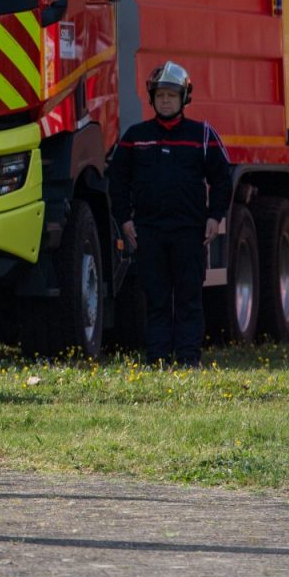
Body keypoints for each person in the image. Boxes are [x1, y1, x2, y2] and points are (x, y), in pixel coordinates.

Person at [108, 61, 232, 368]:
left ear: (184, 98)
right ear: (152, 98)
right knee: (156, 297)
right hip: (148, 232)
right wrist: (124, 220)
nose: (165, 100)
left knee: (189, 297)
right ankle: (158, 358)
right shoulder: (134, 137)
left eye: (171, 95)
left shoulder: (203, 135)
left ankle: (189, 359)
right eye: (160, 94)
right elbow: (117, 181)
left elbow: (222, 179)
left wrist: (215, 217)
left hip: (190, 232)